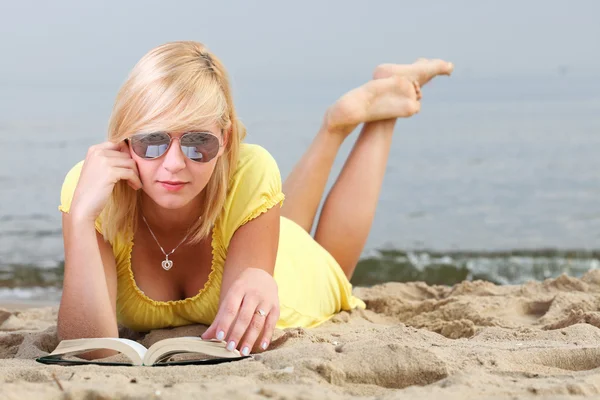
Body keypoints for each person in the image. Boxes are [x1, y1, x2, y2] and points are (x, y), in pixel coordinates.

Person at [57, 41, 453, 358]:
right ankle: (338, 123)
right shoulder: (91, 192)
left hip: (294, 277)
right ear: (125, 139)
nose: (174, 164)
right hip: (259, 228)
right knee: (285, 225)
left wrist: (261, 274)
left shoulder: (249, 168)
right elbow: (87, 348)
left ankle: (382, 118)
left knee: (329, 260)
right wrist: (80, 219)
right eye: (152, 141)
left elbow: (238, 333)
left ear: (225, 139)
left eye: (198, 143)